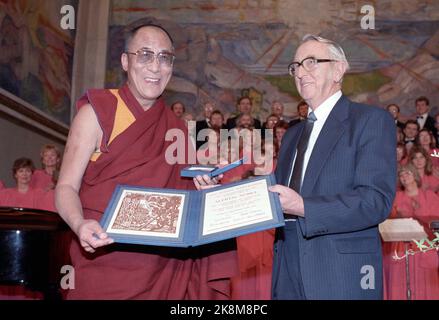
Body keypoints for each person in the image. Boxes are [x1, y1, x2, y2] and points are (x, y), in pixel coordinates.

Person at [54, 23, 237, 300]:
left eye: (164, 58)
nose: (155, 67)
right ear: (126, 61)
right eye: (145, 55)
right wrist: (79, 224)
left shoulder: (176, 129)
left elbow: (188, 203)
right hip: (102, 258)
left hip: (163, 270)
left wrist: (204, 187)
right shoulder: (97, 113)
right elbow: (66, 186)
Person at [268, 35, 396, 300]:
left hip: (340, 275)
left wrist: (303, 207)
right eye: (296, 66)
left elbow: (375, 201)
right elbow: (278, 200)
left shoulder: (370, 121)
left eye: (311, 62)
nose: (300, 72)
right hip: (287, 272)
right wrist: (222, 192)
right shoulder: (292, 134)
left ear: (339, 69)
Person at [383, 164, 439, 300]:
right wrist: (398, 216)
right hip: (400, 249)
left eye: (407, 173)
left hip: (423, 248)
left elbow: (436, 222)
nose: (404, 177)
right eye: (401, 175)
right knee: (399, 285)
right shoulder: (396, 197)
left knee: (424, 285)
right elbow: (387, 222)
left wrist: (418, 214)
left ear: (415, 175)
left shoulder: (429, 196)